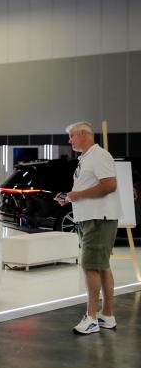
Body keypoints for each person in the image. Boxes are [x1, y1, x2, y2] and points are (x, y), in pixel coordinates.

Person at [55, 121, 121, 334]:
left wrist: (75, 195)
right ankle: (107, 315)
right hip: (89, 218)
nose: (69, 140)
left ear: (83, 134)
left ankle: (92, 317)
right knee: (100, 265)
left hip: (98, 219)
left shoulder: (99, 155)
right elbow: (90, 186)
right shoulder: (86, 158)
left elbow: (109, 185)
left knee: (90, 266)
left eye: (72, 136)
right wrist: (70, 198)